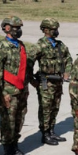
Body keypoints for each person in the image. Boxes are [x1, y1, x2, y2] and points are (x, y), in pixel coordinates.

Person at [0, 17, 33, 155]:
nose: (18, 30)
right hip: (8, 91)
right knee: (8, 122)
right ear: (6, 28)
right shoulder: (0, 47)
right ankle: (8, 153)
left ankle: (15, 147)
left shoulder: (21, 45)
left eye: (19, 27)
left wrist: (26, 87)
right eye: (15, 27)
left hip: (21, 90)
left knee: (19, 119)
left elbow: (24, 68)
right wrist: (2, 93)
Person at [30, 18, 72, 146]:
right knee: (45, 109)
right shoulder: (39, 45)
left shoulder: (60, 45)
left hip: (57, 82)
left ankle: (51, 130)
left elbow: (68, 59)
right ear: (46, 30)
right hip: (45, 82)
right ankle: (45, 133)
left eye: (57, 29)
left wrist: (67, 72)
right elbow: (28, 63)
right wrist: (31, 80)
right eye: (54, 30)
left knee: (55, 107)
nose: (56, 32)